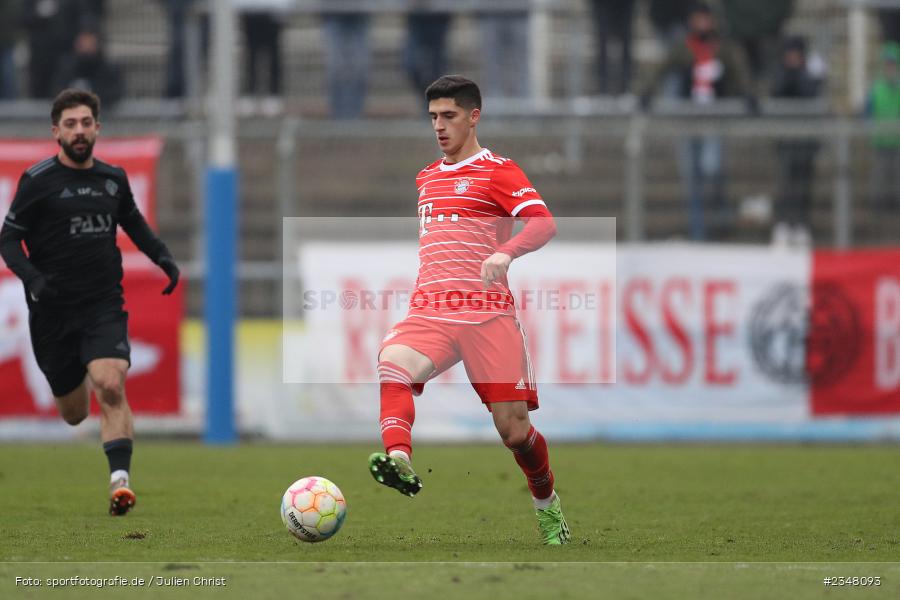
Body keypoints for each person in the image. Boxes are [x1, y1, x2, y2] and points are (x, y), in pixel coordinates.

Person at [367, 75, 569, 545]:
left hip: (487, 316)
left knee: (514, 432)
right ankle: (399, 458)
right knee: (392, 363)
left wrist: (506, 253)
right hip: (432, 311)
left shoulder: (499, 170)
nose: (439, 126)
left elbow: (543, 223)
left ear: (473, 116)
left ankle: (546, 504)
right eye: (434, 117)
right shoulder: (426, 178)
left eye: (449, 116)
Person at [0, 89, 180, 516]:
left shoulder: (113, 179)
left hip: (102, 304)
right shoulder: (38, 182)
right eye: (70, 124)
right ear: (56, 132)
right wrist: (34, 279)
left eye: (85, 123)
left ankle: (120, 483)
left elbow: (134, 224)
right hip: (52, 313)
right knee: (74, 413)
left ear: (97, 127)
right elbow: (8, 239)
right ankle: (77, 375)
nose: (78, 131)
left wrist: (164, 259)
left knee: (111, 383)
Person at [641, 2, 754, 241]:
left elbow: (739, 72)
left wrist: (747, 94)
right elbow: (661, 68)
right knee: (692, 177)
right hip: (688, 119)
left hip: (714, 118)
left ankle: (718, 220)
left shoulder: (724, 48)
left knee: (711, 168)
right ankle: (698, 231)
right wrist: (647, 92)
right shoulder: (683, 47)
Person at [770, 36, 823, 246]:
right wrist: (793, 74)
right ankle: (783, 224)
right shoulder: (780, 73)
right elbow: (778, 91)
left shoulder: (810, 73)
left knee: (803, 185)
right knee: (786, 184)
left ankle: (801, 225)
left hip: (806, 140)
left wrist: (806, 75)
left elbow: (811, 93)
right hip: (786, 139)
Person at [53, 26, 124, 107]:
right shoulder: (67, 67)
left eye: (90, 42)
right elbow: (56, 91)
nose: (86, 46)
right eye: (83, 42)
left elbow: (115, 93)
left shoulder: (109, 68)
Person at [867, 42, 900, 211]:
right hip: (880, 142)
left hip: (897, 142)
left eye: (893, 65)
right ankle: (878, 206)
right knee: (879, 175)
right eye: (887, 65)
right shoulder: (876, 89)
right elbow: (867, 112)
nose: (890, 69)